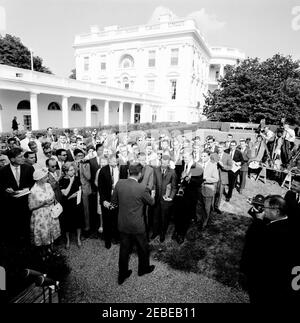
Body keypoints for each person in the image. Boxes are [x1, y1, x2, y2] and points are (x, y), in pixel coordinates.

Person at [240, 195, 297, 303]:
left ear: (276, 211)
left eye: (265, 208)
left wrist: (258, 221)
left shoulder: (272, 232)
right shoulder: (286, 221)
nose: (263, 210)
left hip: (265, 283)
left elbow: (251, 240)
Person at [111, 163, 156, 285]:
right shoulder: (141, 188)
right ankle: (143, 269)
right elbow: (151, 203)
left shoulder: (119, 183)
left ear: (128, 172)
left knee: (124, 249)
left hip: (123, 223)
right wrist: (153, 194)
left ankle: (122, 274)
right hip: (137, 225)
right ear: (140, 174)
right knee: (143, 247)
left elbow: (114, 201)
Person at [0, 147, 34, 244]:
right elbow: (1, 185)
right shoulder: (3, 171)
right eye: (20, 157)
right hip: (11, 205)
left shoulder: (28, 168)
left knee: (27, 227)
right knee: (14, 229)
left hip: (26, 203)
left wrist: (27, 189)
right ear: (12, 159)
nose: (23, 158)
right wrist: (6, 189)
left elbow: (33, 184)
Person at [28, 168, 61, 260]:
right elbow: (31, 207)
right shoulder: (33, 190)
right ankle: (43, 252)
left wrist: (52, 200)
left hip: (50, 212)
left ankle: (51, 249)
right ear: (39, 179)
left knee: (51, 231)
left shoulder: (48, 185)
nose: (47, 178)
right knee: (43, 233)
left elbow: (53, 195)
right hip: (40, 215)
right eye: (45, 177)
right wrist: (42, 203)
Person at [152, 154, 177, 242]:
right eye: (163, 162)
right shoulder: (155, 170)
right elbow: (153, 184)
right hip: (156, 198)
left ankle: (162, 234)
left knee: (164, 218)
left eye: (166, 162)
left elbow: (174, 187)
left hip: (165, 200)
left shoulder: (172, 172)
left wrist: (171, 197)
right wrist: (153, 194)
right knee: (155, 217)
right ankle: (155, 232)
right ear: (161, 161)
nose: (164, 164)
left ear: (169, 162)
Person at [59, 162, 84, 249]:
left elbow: (80, 189)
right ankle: (68, 240)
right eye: (71, 170)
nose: (73, 172)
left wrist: (78, 193)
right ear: (66, 172)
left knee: (78, 221)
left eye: (73, 170)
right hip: (67, 204)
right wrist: (71, 181)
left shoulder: (77, 178)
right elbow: (65, 193)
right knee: (67, 223)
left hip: (77, 203)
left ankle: (78, 238)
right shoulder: (62, 180)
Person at [98, 154, 120, 249]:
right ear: (109, 161)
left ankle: (116, 237)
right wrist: (103, 201)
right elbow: (100, 187)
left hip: (117, 198)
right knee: (107, 220)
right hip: (106, 199)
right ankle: (107, 240)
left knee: (116, 219)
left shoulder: (120, 170)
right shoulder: (103, 170)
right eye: (113, 161)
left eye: (116, 161)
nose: (115, 163)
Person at [197, 150, 219, 229]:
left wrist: (205, 179)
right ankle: (200, 219)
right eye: (201, 156)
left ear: (209, 156)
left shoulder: (213, 165)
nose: (202, 158)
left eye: (204, 156)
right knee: (200, 206)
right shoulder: (199, 164)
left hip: (208, 190)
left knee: (207, 208)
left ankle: (204, 223)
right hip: (199, 189)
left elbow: (216, 179)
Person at [74, 148, 92, 236]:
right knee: (78, 210)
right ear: (75, 157)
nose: (81, 157)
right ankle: (78, 229)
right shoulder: (73, 165)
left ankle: (87, 228)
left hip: (85, 189)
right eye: (79, 156)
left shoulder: (86, 164)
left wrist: (82, 166)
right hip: (75, 190)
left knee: (86, 210)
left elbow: (88, 177)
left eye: (82, 156)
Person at [213, 142, 232, 213]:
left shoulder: (227, 156)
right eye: (218, 147)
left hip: (223, 177)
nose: (219, 149)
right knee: (213, 191)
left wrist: (223, 165)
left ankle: (216, 206)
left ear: (224, 148)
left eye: (220, 147)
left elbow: (230, 167)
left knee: (220, 193)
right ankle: (211, 206)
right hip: (214, 176)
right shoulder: (214, 155)